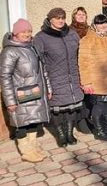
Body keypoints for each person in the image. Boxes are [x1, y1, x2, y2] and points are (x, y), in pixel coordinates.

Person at [0, 19, 51, 162]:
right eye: (24, 31)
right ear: (16, 33)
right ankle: (26, 151)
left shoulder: (32, 47)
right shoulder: (9, 51)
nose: (27, 34)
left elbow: (43, 70)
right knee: (21, 123)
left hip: (35, 92)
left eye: (29, 31)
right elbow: (4, 77)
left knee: (34, 120)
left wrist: (48, 88)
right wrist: (10, 101)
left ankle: (33, 147)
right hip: (20, 95)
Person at [33, 8, 85, 147]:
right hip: (54, 77)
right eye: (57, 18)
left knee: (71, 107)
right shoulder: (41, 37)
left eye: (62, 18)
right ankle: (60, 135)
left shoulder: (72, 34)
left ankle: (69, 133)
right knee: (57, 108)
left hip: (73, 76)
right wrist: (44, 82)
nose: (60, 21)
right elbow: (39, 61)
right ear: (50, 20)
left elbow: (81, 54)